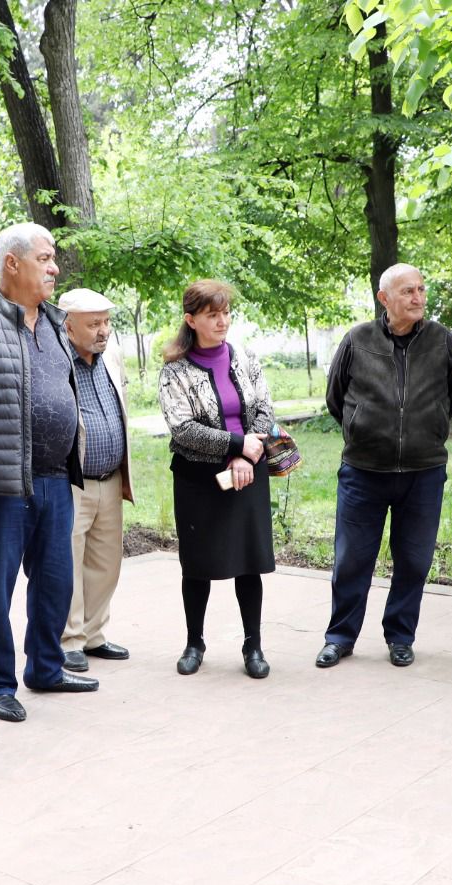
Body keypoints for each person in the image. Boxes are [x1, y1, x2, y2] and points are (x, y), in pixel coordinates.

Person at [0, 222, 96, 724]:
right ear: (12, 263)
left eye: (54, 259)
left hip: (55, 477)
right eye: (44, 258)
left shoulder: (56, 324)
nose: (55, 268)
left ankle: (46, 668)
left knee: (55, 582)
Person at [316, 263, 452, 670]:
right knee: (351, 560)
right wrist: (362, 428)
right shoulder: (357, 339)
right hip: (364, 471)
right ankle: (340, 638)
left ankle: (400, 636)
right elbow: (336, 397)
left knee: (414, 560)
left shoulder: (441, 340)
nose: (418, 298)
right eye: (407, 291)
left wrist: (428, 428)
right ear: (384, 298)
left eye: (421, 289)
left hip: (423, 471)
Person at [158, 280, 276, 679]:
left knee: (249, 562)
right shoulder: (174, 370)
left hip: (248, 472)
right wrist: (236, 445)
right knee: (197, 564)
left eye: (226, 313)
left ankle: (253, 646)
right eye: (212, 314)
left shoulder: (245, 357)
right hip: (199, 479)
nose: (222, 321)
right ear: (191, 320)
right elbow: (183, 429)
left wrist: (246, 453)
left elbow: (264, 408)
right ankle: (194, 643)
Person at [57, 287, 134, 673]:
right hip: (73, 481)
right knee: (68, 562)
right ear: (68, 327)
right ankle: (69, 638)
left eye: (106, 322)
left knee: (106, 562)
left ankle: (93, 634)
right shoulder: (57, 360)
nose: (103, 331)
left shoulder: (112, 355)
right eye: (93, 324)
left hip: (111, 477)